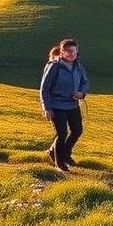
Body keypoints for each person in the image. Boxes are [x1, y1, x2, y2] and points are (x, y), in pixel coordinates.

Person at [40, 38, 89, 171]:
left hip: (73, 105)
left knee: (77, 131)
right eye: (69, 51)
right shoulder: (54, 66)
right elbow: (44, 89)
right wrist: (47, 108)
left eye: (74, 51)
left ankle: (62, 153)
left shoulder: (78, 65)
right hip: (57, 105)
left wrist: (82, 93)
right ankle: (59, 162)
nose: (72, 54)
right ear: (61, 52)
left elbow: (85, 82)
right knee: (62, 134)